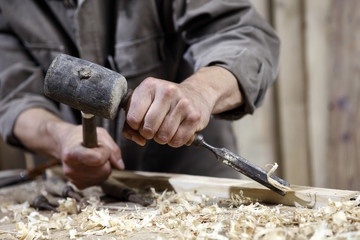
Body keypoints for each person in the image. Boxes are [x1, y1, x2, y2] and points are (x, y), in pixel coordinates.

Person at [0, 0, 279, 189]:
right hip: (84, 201)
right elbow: (12, 95)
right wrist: (61, 138)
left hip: (192, 186)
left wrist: (200, 92)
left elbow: (244, 35)